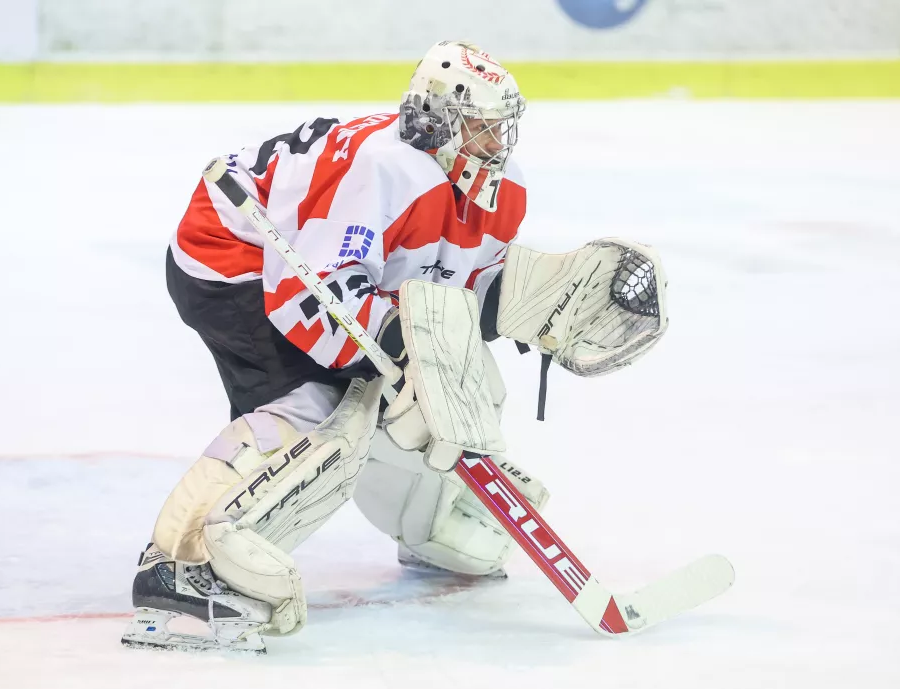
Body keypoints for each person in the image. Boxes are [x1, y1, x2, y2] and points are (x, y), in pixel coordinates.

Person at [121, 40, 668, 654]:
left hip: (311, 269)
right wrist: (400, 354)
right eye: (481, 126)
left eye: (501, 127)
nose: (497, 142)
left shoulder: (502, 187)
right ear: (436, 119)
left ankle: (427, 523)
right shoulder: (381, 168)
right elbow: (309, 295)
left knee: (453, 382)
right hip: (235, 262)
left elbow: (452, 286)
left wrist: (523, 306)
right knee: (324, 410)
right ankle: (182, 563)